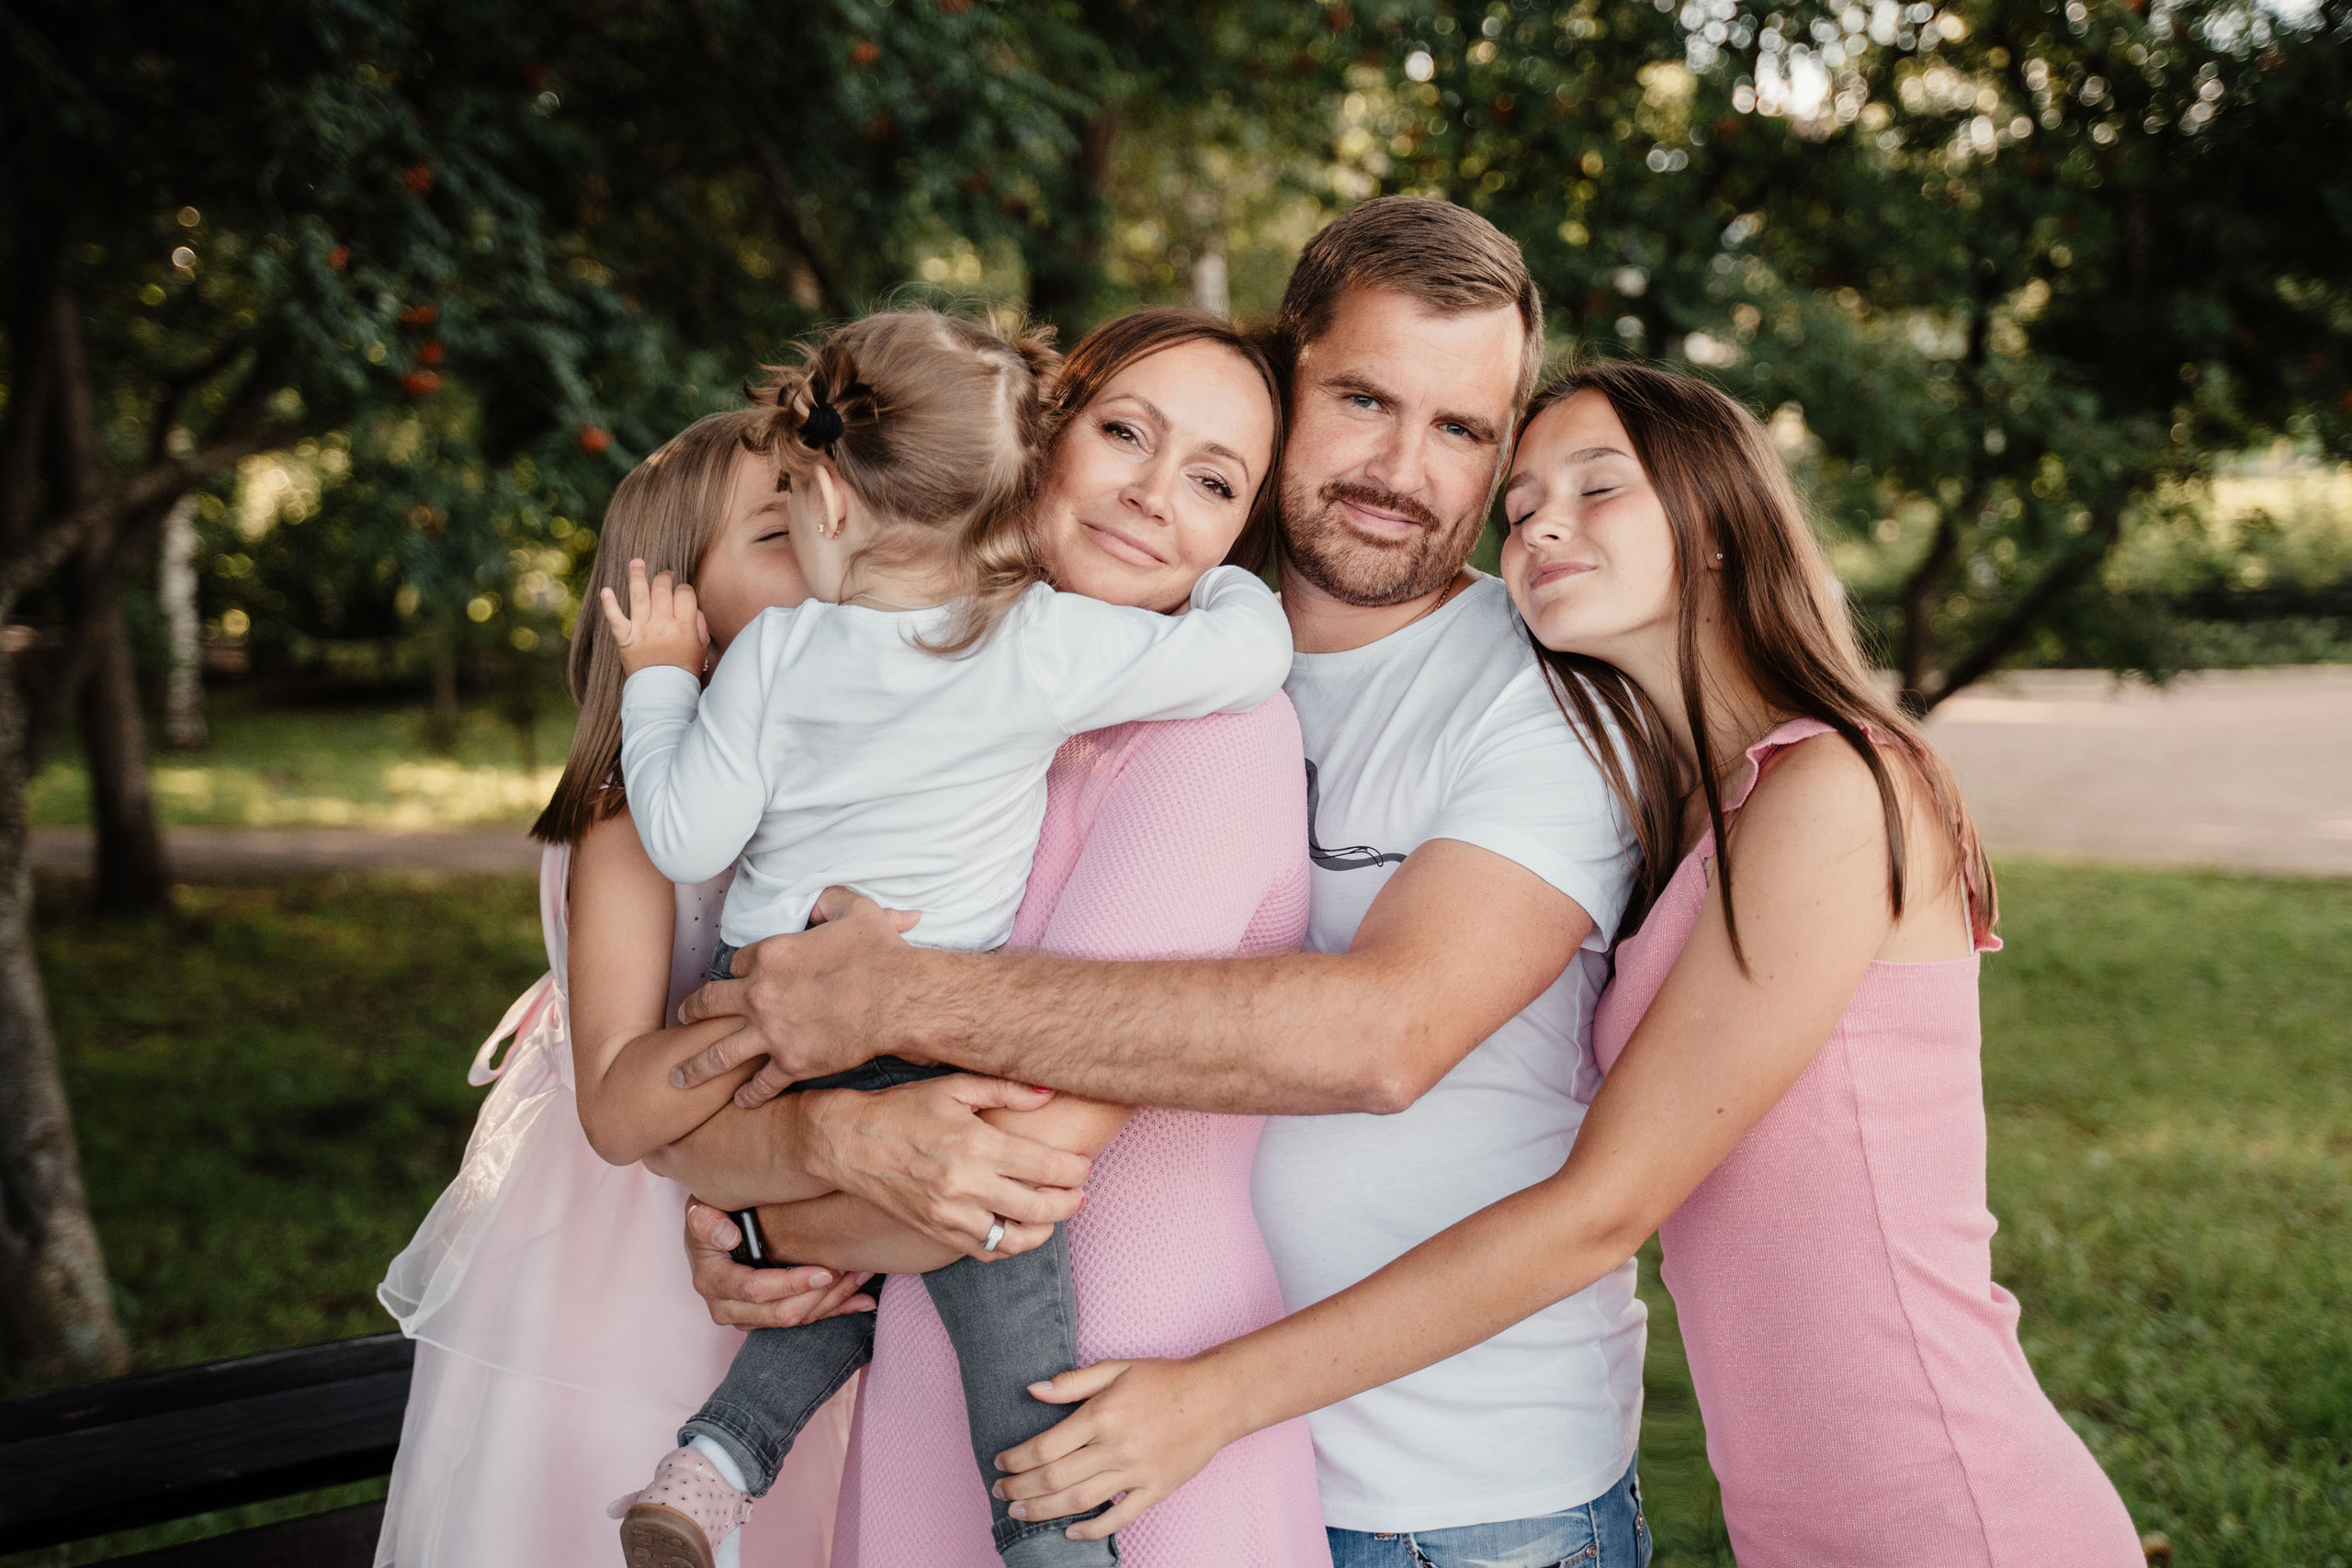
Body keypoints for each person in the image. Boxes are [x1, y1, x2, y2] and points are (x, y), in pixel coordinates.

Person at [978, 362, 2146, 1568]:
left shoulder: (1840, 787)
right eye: (1523, 499)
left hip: (1952, 1498)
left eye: (1599, 488)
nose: (1542, 523)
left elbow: (1603, 1210)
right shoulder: (1693, 808)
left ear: (1715, 528)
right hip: (1799, 1515)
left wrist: (1210, 1398)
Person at [662, 197, 1655, 1568]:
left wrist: (880, 1013)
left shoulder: (1534, 698)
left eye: (1463, 429)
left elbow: (1381, 1038)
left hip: (1448, 1487)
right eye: (1364, 398)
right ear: (1283, 376)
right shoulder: (1071, 668)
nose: (1402, 466)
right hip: (1095, 1396)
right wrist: (775, 1208)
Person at [598, 306, 1294, 1568]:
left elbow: (998, 1165)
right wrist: (1246, 584)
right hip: (923, 1356)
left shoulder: (786, 651)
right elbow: (1250, 645)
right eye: (1125, 432)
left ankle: (728, 1459)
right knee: (986, 1274)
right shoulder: (1044, 650)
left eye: (1216, 483)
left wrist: (761, 1216)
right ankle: (1020, 1532)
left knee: (987, 1235)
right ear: (1034, 453)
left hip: (1130, 1379)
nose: (1152, 496)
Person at [374, 408, 869, 1568]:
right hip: (626, 1267)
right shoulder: (634, 816)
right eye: (777, 533)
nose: (833, 551)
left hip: (779, 1218)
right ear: (671, 607)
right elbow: (615, 1106)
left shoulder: (832, 770)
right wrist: (789, 1006)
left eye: (834, 517)